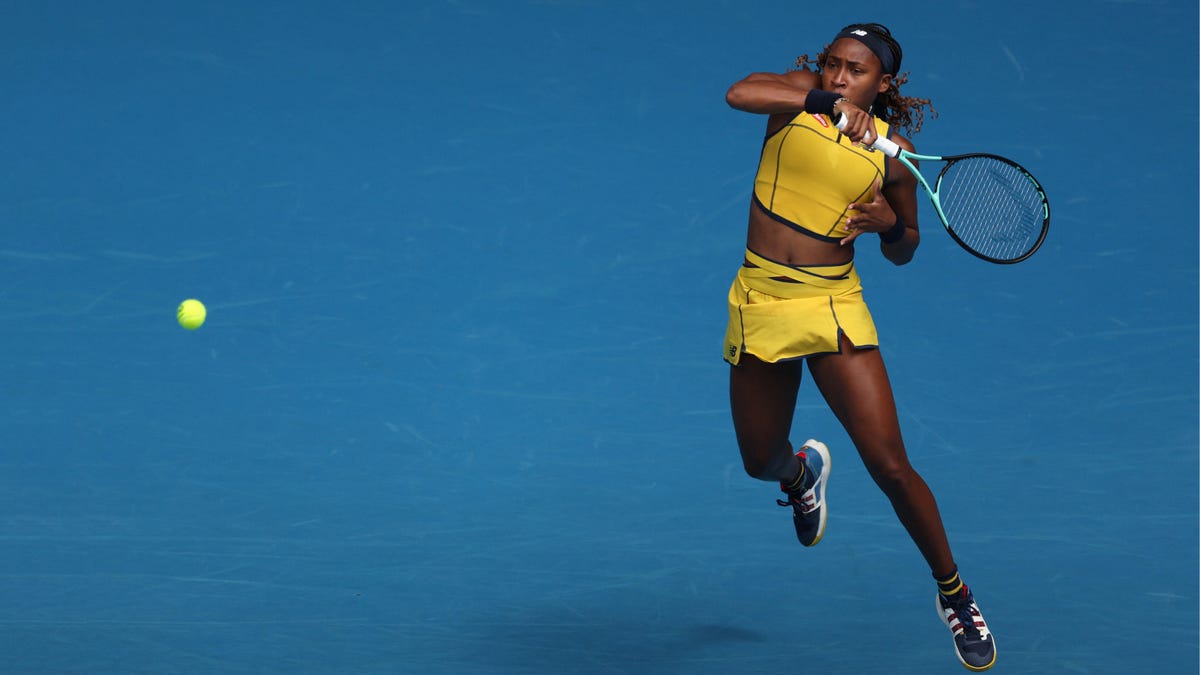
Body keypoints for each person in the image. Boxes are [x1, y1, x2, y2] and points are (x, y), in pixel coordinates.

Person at [722, 23, 996, 672]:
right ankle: (801, 474)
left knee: (891, 466)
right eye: (833, 64)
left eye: (856, 70)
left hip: (834, 306)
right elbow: (738, 93)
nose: (841, 76)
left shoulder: (893, 155)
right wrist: (823, 103)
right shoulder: (797, 95)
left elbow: (906, 248)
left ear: (884, 83)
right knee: (760, 459)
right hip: (761, 299)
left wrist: (887, 224)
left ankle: (954, 592)